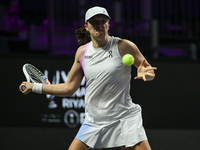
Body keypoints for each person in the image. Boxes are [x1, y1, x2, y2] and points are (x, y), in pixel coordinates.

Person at [19, 6, 157, 150]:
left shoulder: (124, 46)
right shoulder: (82, 53)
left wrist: (146, 73)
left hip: (124, 117)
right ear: (87, 27)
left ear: (108, 25)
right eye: (94, 22)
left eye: (103, 21)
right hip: (94, 120)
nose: (99, 25)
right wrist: (34, 86)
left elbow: (149, 71)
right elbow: (69, 88)